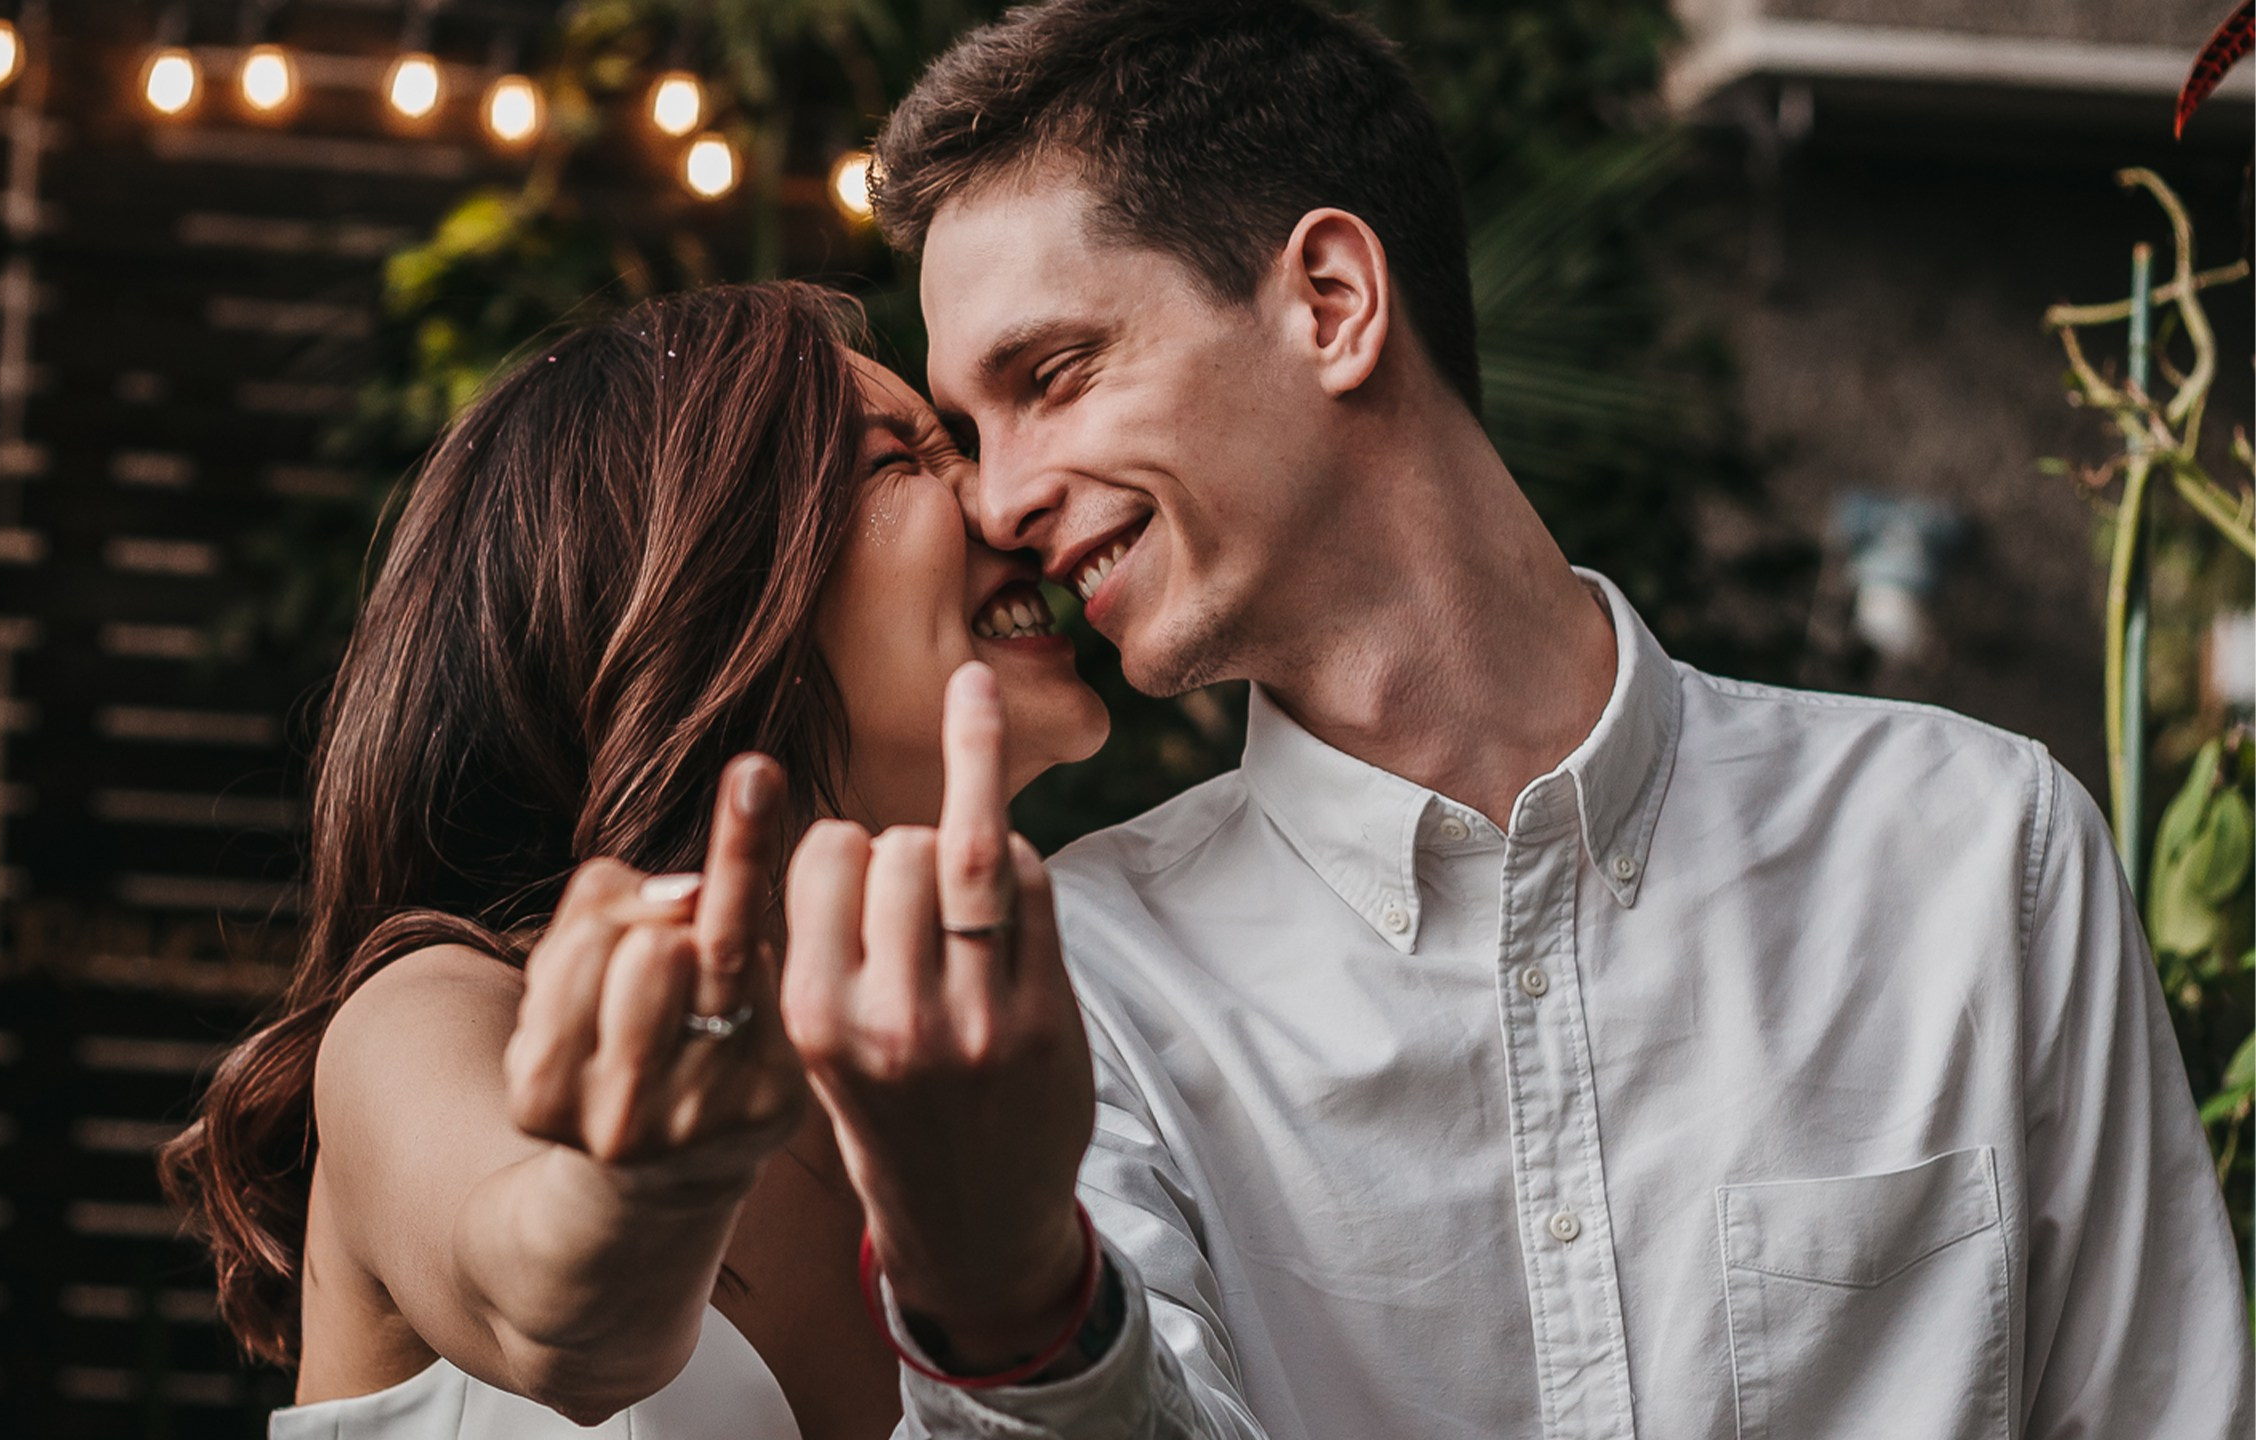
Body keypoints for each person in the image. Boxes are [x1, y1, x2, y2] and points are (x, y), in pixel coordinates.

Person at [777, 2, 2256, 1437]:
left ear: (1331, 305)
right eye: (971, 432)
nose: (1005, 497)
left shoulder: (1981, 853)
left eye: (1054, 376)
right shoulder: (1084, 983)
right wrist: (1014, 1310)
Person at [159, 281, 1109, 1439]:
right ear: (710, 588)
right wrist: (650, 1188)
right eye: (902, 458)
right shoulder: (431, 1019)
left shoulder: (1023, 1075)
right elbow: (548, 1310)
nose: (1005, 500)